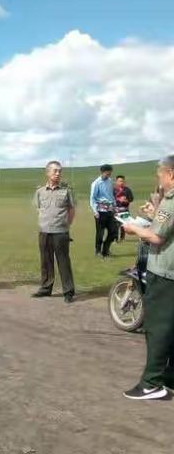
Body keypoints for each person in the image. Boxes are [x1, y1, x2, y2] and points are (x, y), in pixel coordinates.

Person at [122, 155, 174, 400]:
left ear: (171, 174)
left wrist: (133, 228)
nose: (159, 178)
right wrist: (155, 215)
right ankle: (170, 377)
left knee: (156, 327)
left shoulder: (171, 200)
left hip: (165, 272)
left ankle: (152, 383)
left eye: (160, 174)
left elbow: (156, 238)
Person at [32, 161, 76, 303]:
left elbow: (71, 210)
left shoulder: (66, 190)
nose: (58, 174)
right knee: (46, 262)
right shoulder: (40, 191)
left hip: (60, 232)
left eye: (59, 171)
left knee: (63, 262)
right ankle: (46, 288)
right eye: (55, 171)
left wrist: (66, 225)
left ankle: (68, 292)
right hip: (44, 231)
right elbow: (38, 208)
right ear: (47, 172)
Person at [90, 164, 117, 258]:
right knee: (100, 233)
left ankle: (105, 250)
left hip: (110, 210)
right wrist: (95, 211)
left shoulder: (109, 181)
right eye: (107, 173)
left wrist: (115, 206)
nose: (109, 175)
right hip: (100, 211)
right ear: (102, 172)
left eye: (110, 173)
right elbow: (92, 198)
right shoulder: (96, 183)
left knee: (113, 231)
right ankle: (98, 251)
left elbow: (111, 195)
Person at [114, 175, 134, 242]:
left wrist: (125, 200)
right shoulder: (113, 190)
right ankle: (116, 239)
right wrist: (118, 200)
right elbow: (110, 199)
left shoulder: (127, 190)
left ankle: (122, 238)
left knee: (124, 225)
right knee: (115, 225)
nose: (121, 182)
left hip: (124, 210)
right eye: (120, 181)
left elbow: (131, 199)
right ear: (116, 181)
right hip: (115, 210)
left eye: (122, 181)